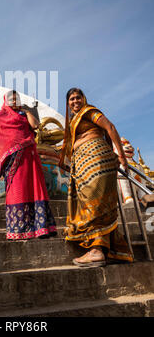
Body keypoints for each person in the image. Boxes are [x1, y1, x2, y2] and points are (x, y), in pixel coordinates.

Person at [59, 88, 133, 267]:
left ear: (84, 99)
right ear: (67, 104)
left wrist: (122, 157)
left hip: (96, 159)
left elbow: (110, 127)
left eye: (78, 98)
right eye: (71, 99)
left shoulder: (89, 111)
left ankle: (96, 250)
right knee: (97, 204)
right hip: (85, 164)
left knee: (95, 204)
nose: (75, 101)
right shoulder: (75, 120)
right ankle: (112, 249)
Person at [0, 90, 57, 240]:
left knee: (34, 188)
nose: (15, 102)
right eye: (12, 100)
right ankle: (19, 229)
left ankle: (41, 228)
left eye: (17, 99)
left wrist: (27, 111)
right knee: (18, 189)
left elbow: (34, 125)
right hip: (14, 159)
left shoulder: (23, 115)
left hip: (30, 155)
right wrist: (3, 149)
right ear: (6, 101)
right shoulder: (1, 115)